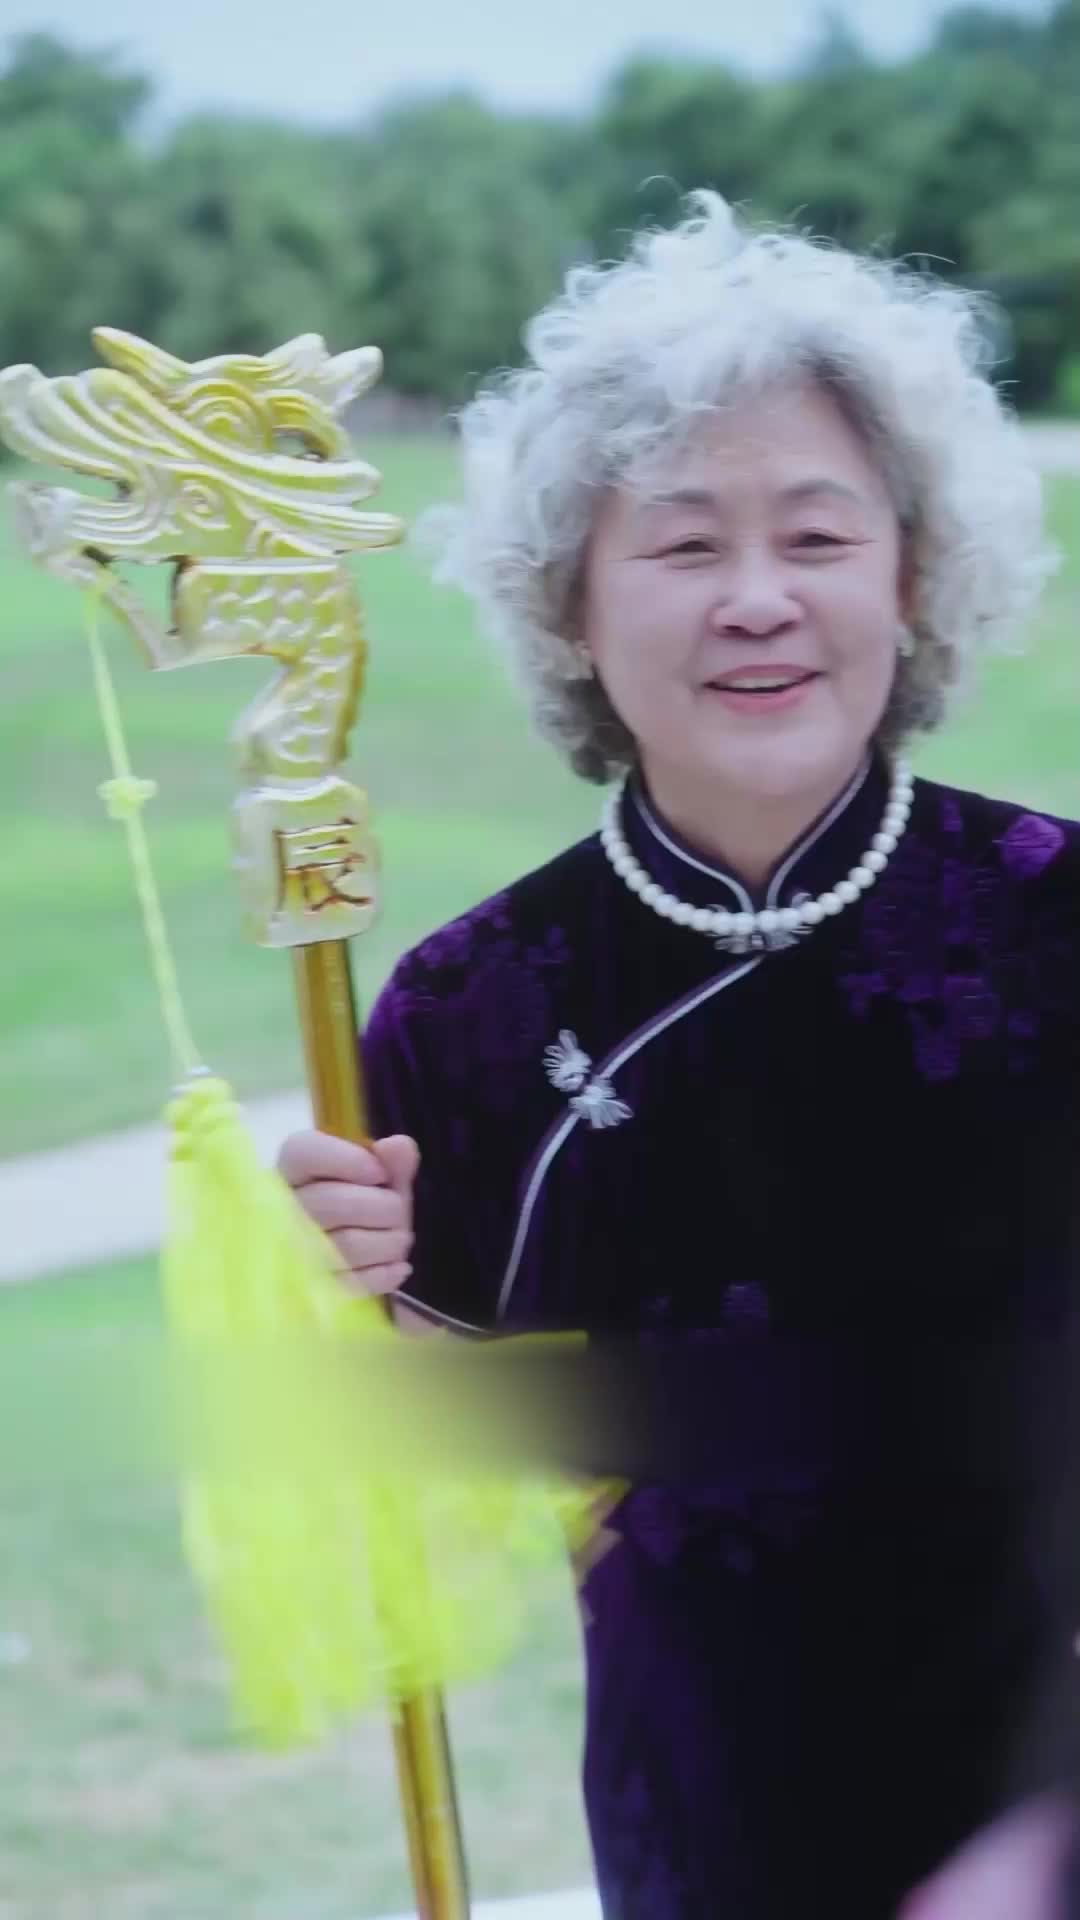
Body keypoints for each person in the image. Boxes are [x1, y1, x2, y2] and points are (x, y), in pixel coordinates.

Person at [279, 194, 1080, 1917]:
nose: (758, 600)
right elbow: (462, 1470)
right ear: (569, 602)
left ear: (911, 577)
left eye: (820, 535)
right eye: (684, 545)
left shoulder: (1057, 917)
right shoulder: (467, 1003)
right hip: (710, 1804)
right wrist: (354, 1306)